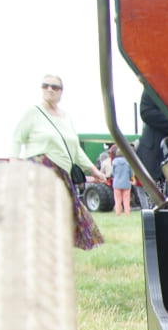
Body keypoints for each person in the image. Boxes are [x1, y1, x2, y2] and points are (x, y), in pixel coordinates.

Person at [10, 73, 104, 250]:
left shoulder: (66, 117)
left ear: (61, 92)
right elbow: (17, 138)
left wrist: (93, 170)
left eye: (55, 87)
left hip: (62, 173)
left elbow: (75, 149)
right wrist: (14, 163)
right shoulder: (33, 112)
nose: (50, 89)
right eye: (45, 85)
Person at [110, 151, 133, 215]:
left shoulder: (114, 162)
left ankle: (118, 213)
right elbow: (131, 174)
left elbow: (112, 173)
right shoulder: (128, 162)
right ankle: (127, 213)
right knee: (126, 200)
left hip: (116, 183)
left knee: (117, 200)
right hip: (126, 183)